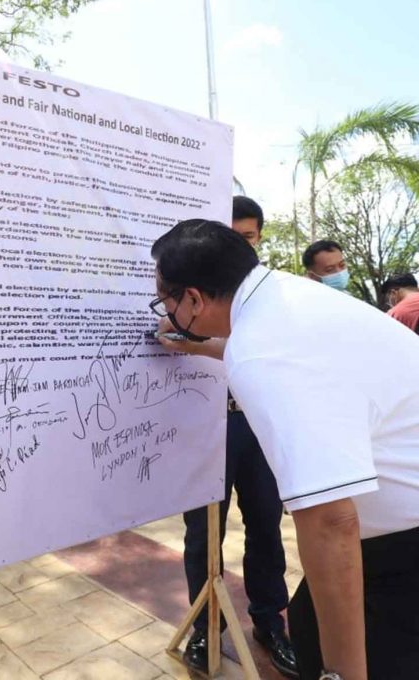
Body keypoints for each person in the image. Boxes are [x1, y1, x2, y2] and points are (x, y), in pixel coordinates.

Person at [150, 218, 419, 680]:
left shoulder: (262, 350)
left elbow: (331, 520)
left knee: (338, 652)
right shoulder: (284, 296)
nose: (166, 311)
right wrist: (203, 346)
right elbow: (273, 350)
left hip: (403, 552)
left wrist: (343, 676)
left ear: (193, 298)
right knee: (311, 623)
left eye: (167, 300)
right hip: (395, 533)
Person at [179, 197, 298, 678]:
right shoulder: (191, 293)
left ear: (259, 238)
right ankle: (206, 627)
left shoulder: (270, 296)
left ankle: (271, 623)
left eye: (247, 236)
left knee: (267, 526)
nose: (239, 245)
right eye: (230, 236)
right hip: (204, 427)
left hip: (257, 424)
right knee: (202, 535)